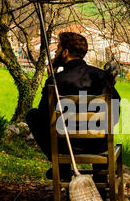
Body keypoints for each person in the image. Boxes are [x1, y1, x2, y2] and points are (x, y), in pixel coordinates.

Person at [26, 32, 120, 184]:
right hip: (98, 144)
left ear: (66, 52)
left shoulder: (55, 81)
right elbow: (115, 113)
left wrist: (52, 77)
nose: (55, 52)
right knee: (102, 126)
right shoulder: (102, 77)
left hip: (65, 146)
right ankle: (100, 183)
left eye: (58, 48)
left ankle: (61, 169)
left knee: (33, 115)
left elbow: (44, 117)